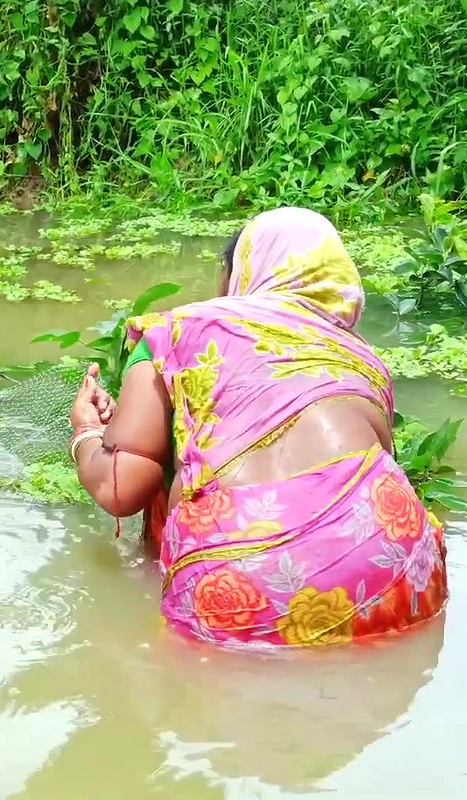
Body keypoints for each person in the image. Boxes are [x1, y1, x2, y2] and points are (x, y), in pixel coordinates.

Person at [68, 207, 447, 647]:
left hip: (245, 577)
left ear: (238, 274)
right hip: (396, 565)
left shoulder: (176, 331)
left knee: (198, 702)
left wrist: (87, 434)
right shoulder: (359, 357)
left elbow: (120, 486)